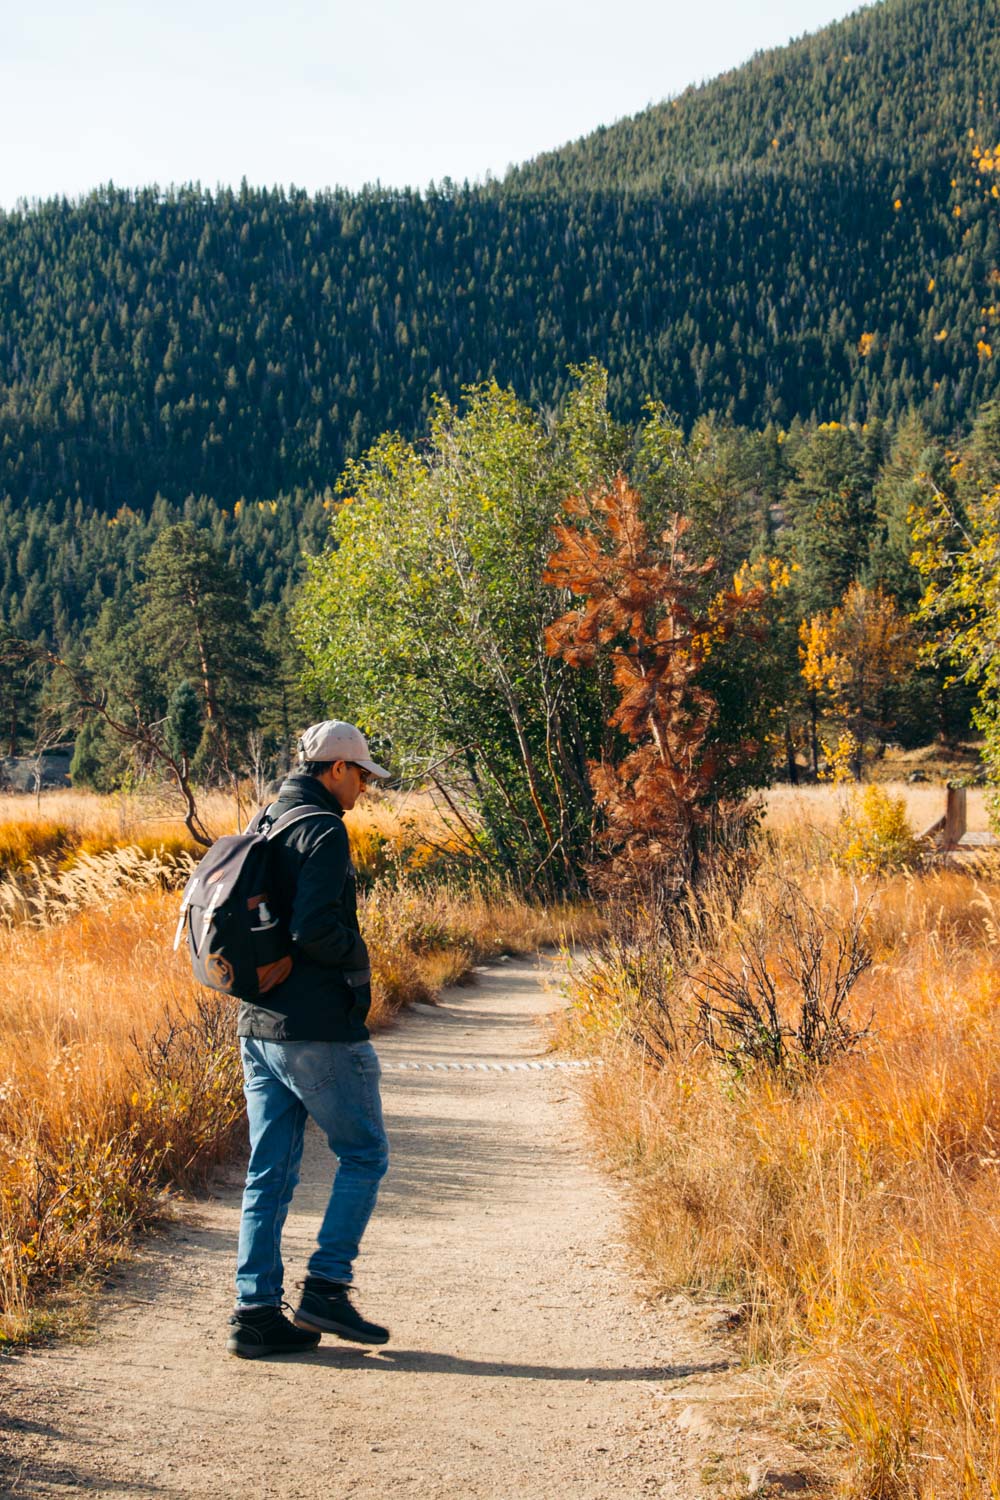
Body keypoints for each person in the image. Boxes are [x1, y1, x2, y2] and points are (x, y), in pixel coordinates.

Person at [226, 720, 392, 1359]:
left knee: (267, 1173)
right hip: (317, 1028)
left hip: (259, 1022)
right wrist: (359, 952)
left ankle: (256, 1314)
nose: (364, 790)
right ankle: (326, 1285)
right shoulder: (324, 829)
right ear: (336, 769)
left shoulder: (269, 816)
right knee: (364, 1153)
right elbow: (314, 929)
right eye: (362, 776)